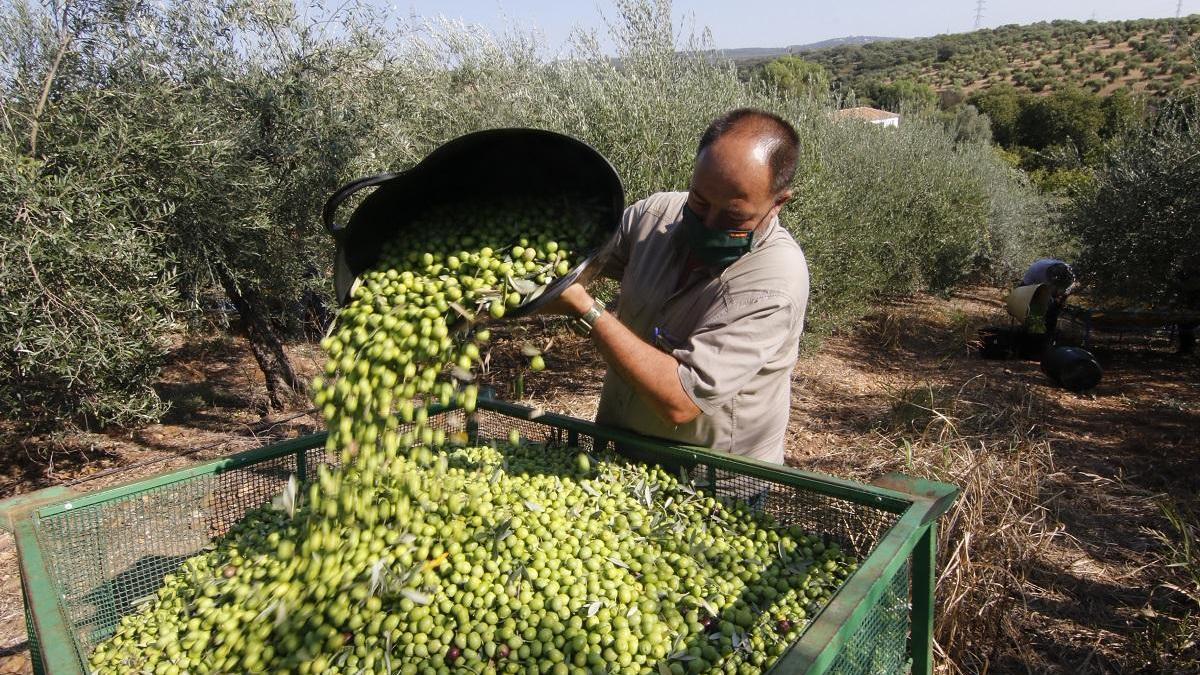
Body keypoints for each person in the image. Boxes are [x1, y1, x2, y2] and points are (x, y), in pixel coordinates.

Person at [544, 108, 809, 479]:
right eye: (699, 202)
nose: (707, 225)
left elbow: (681, 400)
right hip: (622, 459)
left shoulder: (774, 282)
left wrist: (585, 310)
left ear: (778, 202)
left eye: (733, 217)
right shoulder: (657, 216)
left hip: (710, 484)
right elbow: (581, 258)